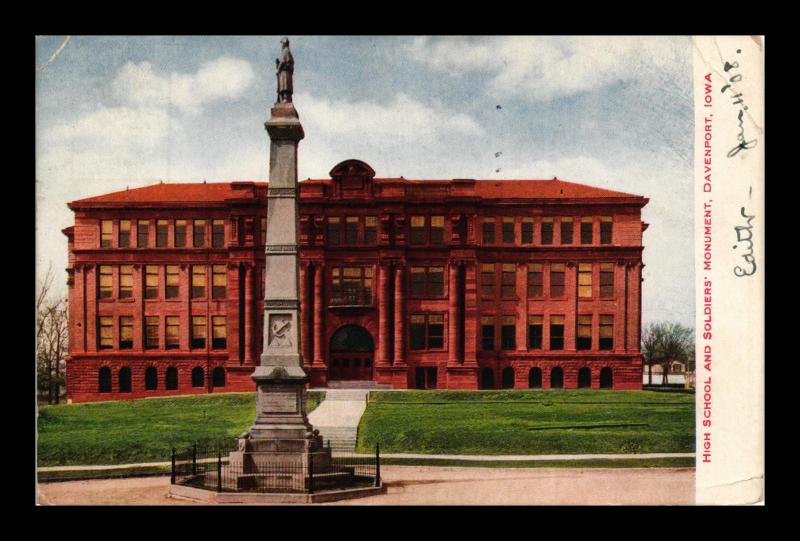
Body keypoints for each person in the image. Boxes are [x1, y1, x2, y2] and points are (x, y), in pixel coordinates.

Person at [276, 37, 294, 103]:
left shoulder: (285, 51)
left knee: (285, 85)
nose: (282, 45)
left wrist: (278, 69)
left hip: (285, 72)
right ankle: (284, 98)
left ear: (284, 43)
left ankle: (286, 98)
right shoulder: (286, 51)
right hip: (284, 72)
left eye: (282, 43)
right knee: (283, 86)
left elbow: (283, 61)